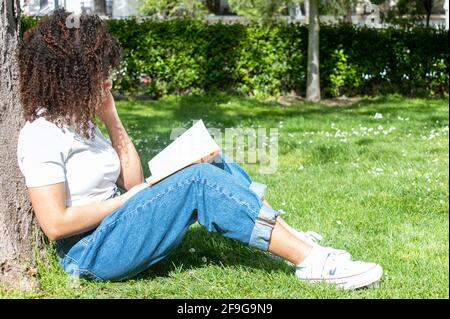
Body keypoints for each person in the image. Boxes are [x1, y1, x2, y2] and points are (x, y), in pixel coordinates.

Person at [16, 9, 382, 289]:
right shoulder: (41, 134)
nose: (106, 78)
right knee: (199, 180)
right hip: (91, 252)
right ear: (70, 75)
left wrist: (112, 120)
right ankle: (313, 262)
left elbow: (133, 183)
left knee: (211, 159)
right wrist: (127, 202)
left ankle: (287, 233)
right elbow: (55, 224)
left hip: (118, 224)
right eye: (98, 71)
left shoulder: (82, 124)